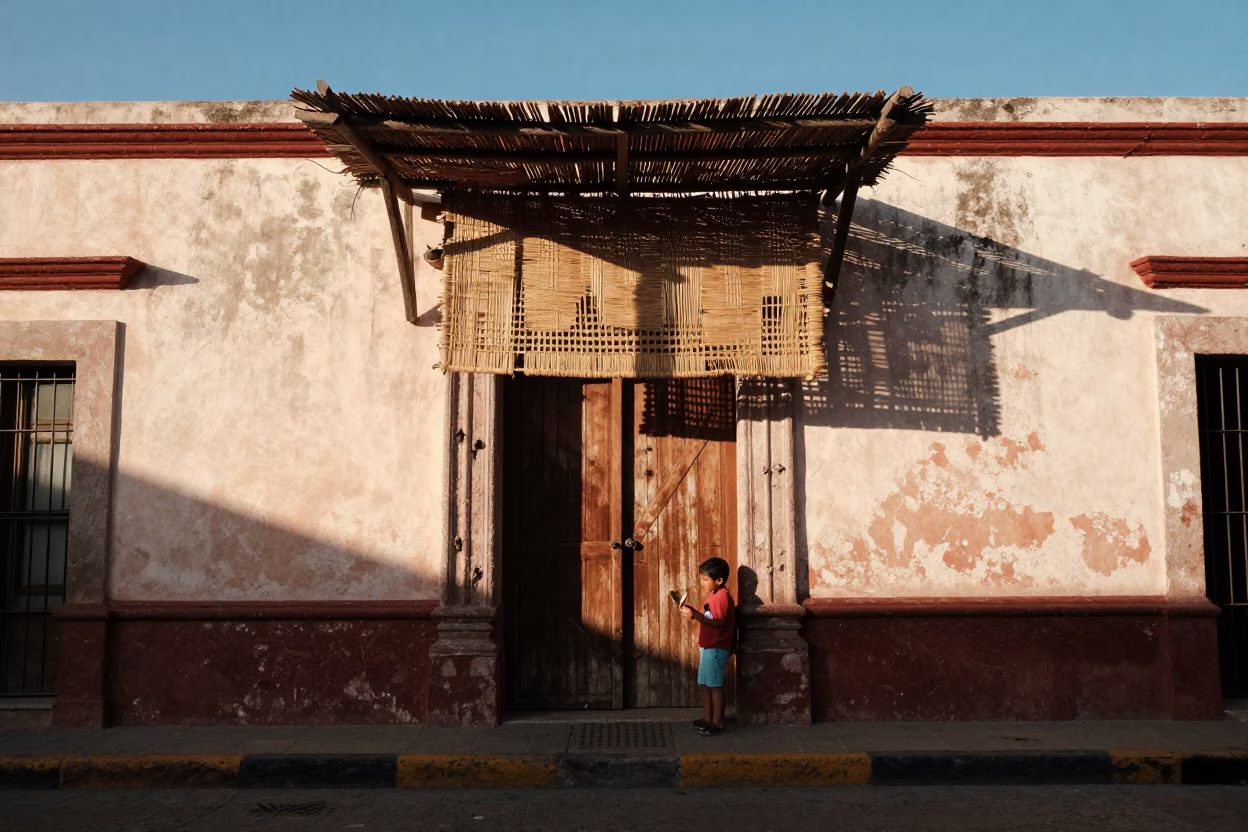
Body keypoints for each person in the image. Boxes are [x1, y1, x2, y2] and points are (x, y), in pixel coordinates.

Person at [679, 556, 735, 735]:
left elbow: (717, 622)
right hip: (707, 645)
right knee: (704, 683)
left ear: (718, 580)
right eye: (701, 578)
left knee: (715, 685)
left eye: (705, 579)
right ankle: (708, 718)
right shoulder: (713, 596)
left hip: (716, 647)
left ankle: (718, 722)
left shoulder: (721, 597)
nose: (702, 583)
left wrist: (695, 613)